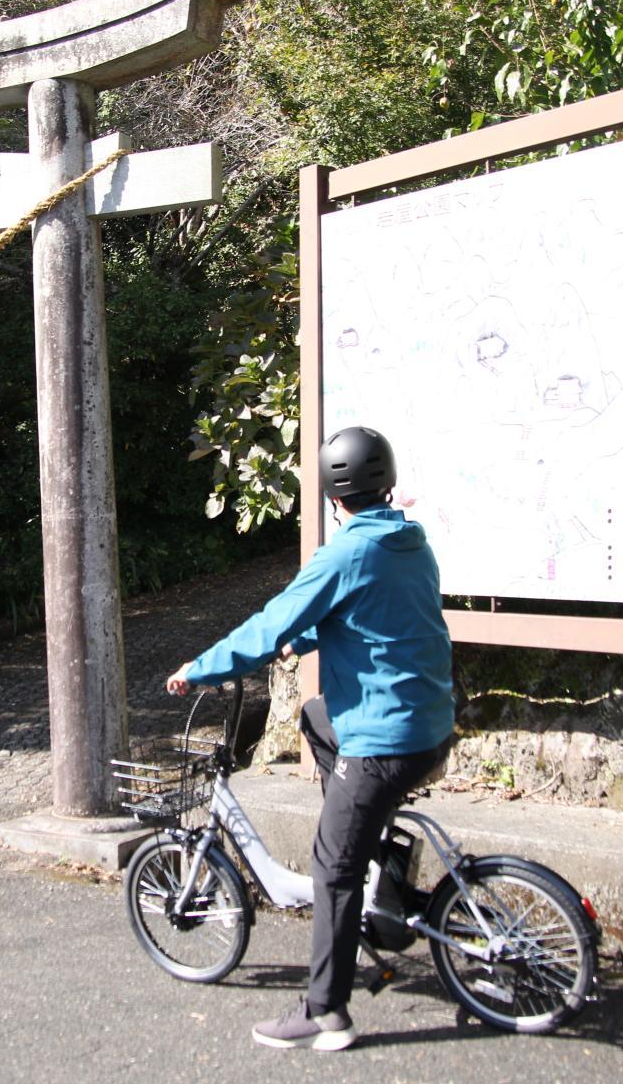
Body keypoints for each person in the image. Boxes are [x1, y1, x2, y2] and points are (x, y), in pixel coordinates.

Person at [165, 425, 456, 1052]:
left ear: (332, 497)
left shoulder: (344, 554)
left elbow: (270, 625)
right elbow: (384, 618)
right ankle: (374, 853)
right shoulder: (409, 542)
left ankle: (326, 1012)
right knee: (317, 716)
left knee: (332, 867)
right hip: (429, 724)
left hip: (385, 741)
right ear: (385, 483)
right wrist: (317, 637)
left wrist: (199, 668)